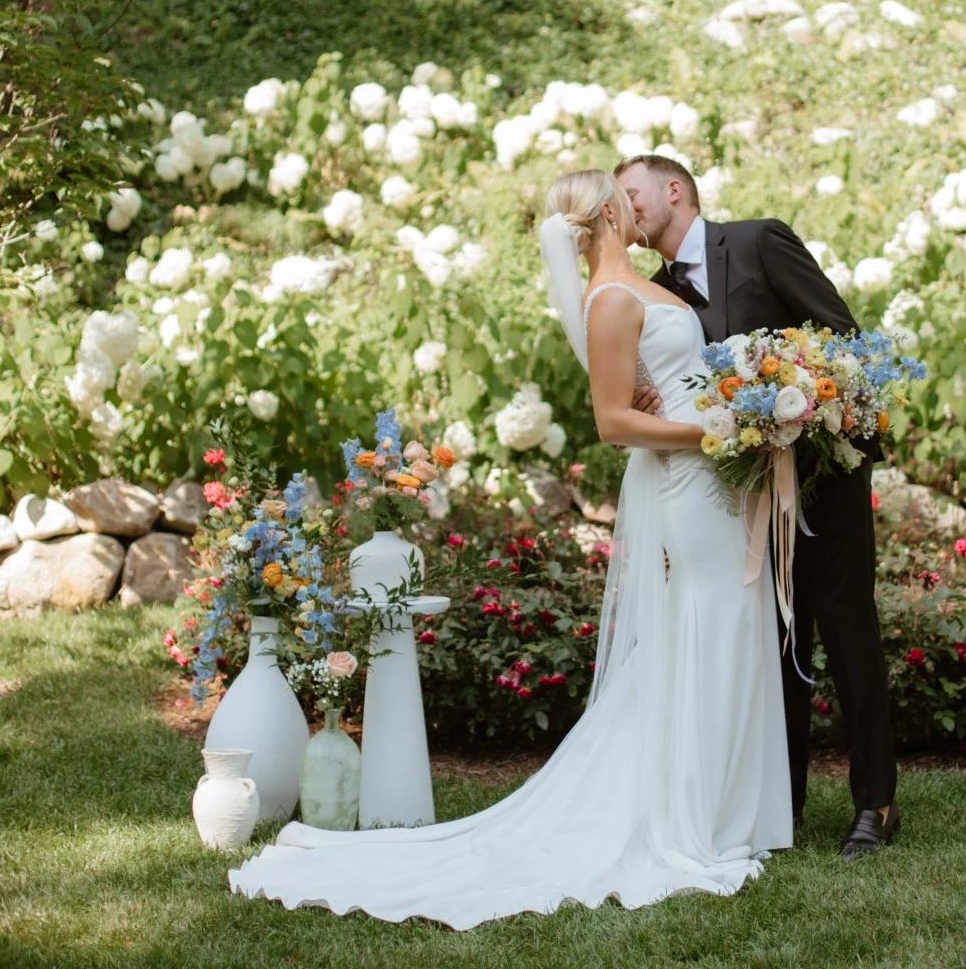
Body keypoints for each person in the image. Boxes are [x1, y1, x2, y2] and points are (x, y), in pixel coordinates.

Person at [227, 168, 790, 927]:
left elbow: (663, 379)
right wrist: (717, 430)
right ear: (604, 217)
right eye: (621, 196)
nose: (635, 202)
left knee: (732, 624)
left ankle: (734, 814)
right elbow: (614, 423)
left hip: (716, 480)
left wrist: (730, 410)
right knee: (711, 626)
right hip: (689, 484)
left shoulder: (641, 287)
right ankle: (697, 819)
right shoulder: (613, 300)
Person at [615, 153, 899, 860]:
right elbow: (660, 386)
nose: (625, 209)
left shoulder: (756, 240)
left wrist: (805, 398)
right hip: (737, 498)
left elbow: (841, 335)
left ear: (673, 189)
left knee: (846, 631)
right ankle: (782, 800)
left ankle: (877, 803)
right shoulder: (653, 296)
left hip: (824, 477)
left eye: (631, 193)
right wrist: (652, 394)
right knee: (778, 646)